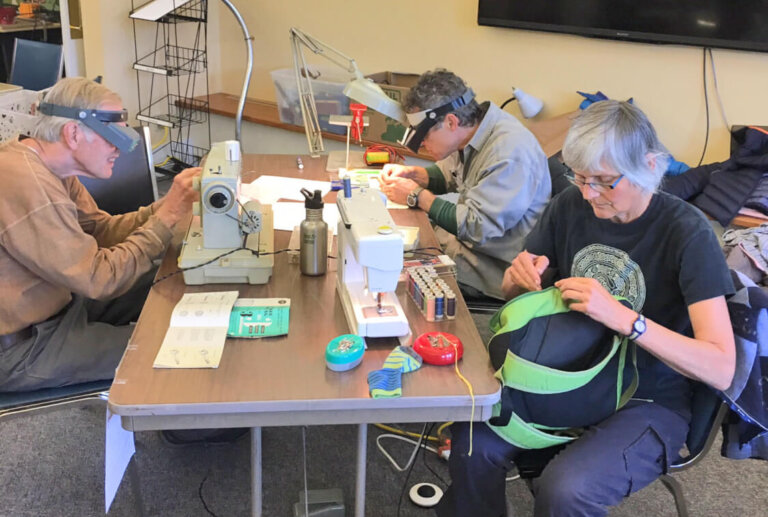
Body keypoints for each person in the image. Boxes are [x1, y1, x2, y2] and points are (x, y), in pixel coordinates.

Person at [436, 100, 736, 516]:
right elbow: (513, 293)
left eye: (604, 181)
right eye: (580, 178)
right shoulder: (570, 206)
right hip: (564, 374)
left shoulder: (687, 233)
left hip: (648, 398)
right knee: (472, 440)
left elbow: (720, 367)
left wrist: (624, 318)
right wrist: (519, 278)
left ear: (649, 166)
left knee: (567, 489)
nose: (590, 193)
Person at [0, 77, 200, 392]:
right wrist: (168, 216)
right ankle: (198, 425)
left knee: (181, 276)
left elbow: (100, 231)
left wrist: (162, 208)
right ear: (73, 133)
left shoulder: (50, 166)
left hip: (59, 307)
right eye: (111, 139)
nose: (120, 149)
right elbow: (98, 278)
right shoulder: (27, 183)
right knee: (178, 346)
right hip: (24, 347)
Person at [379, 69, 550, 300]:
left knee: (390, 280)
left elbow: (477, 227)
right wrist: (415, 174)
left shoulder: (509, 152)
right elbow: (449, 174)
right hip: (462, 249)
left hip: (489, 270)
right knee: (382, 252)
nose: (420, 146)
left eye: (424, 137)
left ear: (451, 122)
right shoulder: (471, 132)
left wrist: (416, 196)